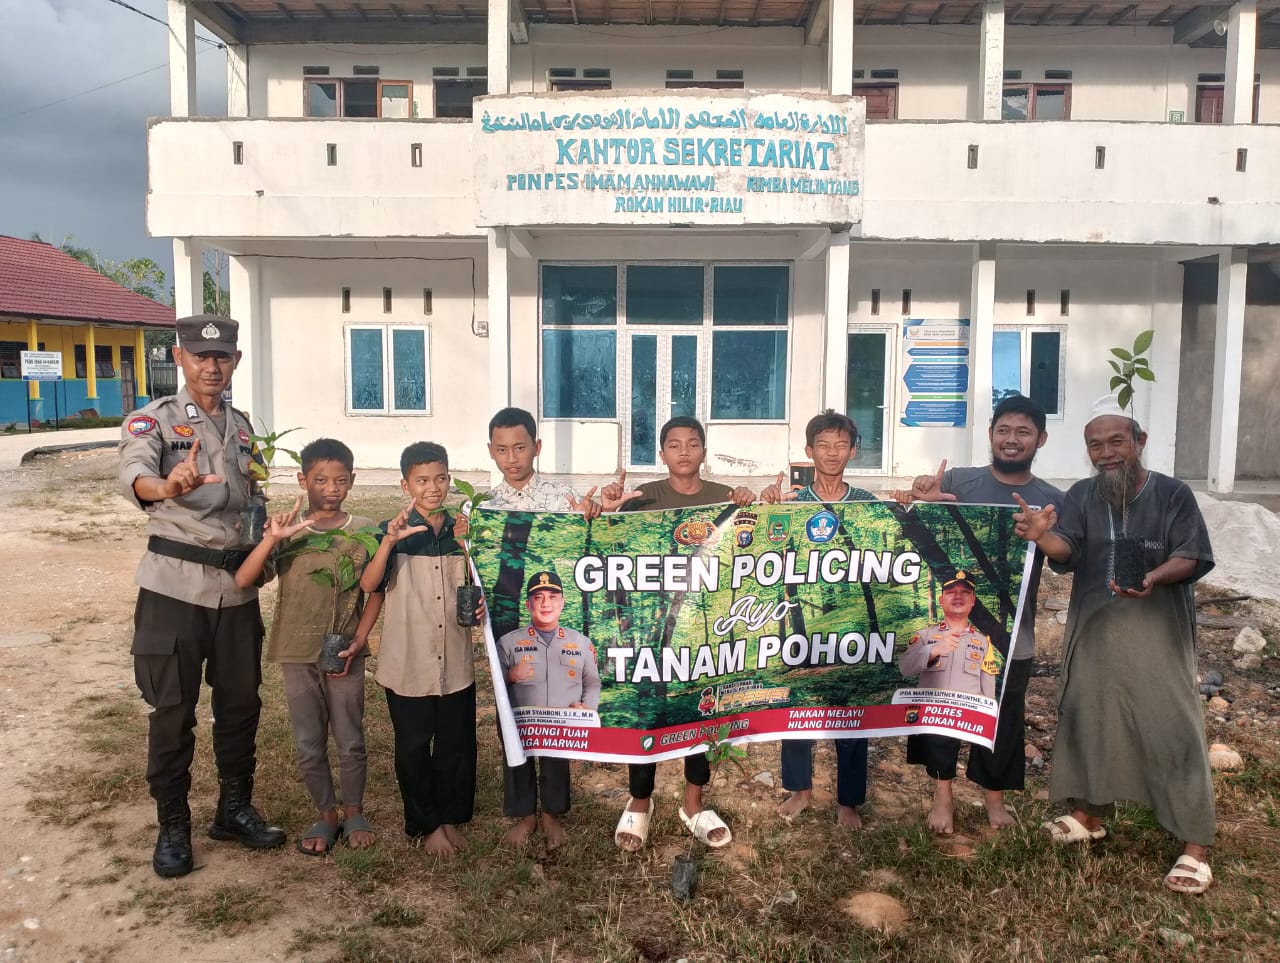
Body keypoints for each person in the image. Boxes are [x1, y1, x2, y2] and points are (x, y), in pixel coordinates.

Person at [1013, 394, 1216, 894]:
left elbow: (1191, 555)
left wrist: (1153, 575)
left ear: (1139, 442)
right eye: (1094, 444)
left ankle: (1195, 846)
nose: (1105, 452)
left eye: (1116, 441)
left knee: (1173, 727)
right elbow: (1070, 550)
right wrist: (1042, 536)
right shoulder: (1082, 494)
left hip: (1158, 635)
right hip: (1096, 631)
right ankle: (1088, 814)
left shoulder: (1173, 494)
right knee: (1091, 715)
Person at [119, 314, 285, 878]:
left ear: (235, 360)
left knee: (240, 706)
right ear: (179, 357)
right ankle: (173, 826)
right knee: (173, 712)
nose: (211, 366)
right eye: (199, 356)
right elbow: (137, 474)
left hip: (235, 593)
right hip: (175, 589)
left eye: (222, 357)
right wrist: (167, 486)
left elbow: (250, 495)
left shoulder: (241, 427)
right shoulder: (155, 421)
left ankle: (232, 810)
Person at [895, 394, 1064, 830]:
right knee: (943, 711)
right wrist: (922, 499)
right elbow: (917, 529)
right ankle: (942, 798)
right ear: (990, 434)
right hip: (953, 626)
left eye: (1023, 432)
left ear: (1040, 439)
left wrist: (1043, 536)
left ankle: (994, 800)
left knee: (1004, 717)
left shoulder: (1050, 498)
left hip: (1014, 634)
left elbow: (1067, 558)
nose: (1012, 440)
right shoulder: (961, 481)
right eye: (1003, 430)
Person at [602, 416, 754, 852]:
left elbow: (748, 545)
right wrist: (611, 508)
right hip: (651, 628)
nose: (684, 451)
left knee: (700, 710)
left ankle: (693, 803)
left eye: (692, 443)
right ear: (662, 452)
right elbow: (608, 544)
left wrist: (749, 503)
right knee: (647, 710)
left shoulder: (723, 497)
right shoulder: (642, 496)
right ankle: (639, 800)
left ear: (704, 451)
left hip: (703, 629)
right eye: (674, 444)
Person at [234, 438, 380, 855]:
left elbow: (376, 592)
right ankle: (326, 813)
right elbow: (245, 579)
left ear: (352, 482)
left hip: (345, 652)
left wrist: (360, 639)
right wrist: (273, 538)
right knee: (308, 741)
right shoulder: (290, 532)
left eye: (339, 480)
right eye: (320, 480)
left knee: (351, 738)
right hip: (296, 652)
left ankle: (353, 810)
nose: (330, 488)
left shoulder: (365, 531)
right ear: (303, 480)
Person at [358, 442, 483, 858]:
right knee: (412, 746)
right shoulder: (391, 529)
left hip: (454, 660)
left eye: (441, 479)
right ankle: (425, 824)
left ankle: (450, 817)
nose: (433, 488)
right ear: (405, 484)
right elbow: (369, 585)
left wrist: (470, 546)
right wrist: (389, 543)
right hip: (407, 659)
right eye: (422, 480)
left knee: (456, 745)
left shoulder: (462, 529)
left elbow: (480, 584)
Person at [759, 410, 876, 829]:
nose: (832, 452)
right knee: (797, 705)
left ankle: (849, 800)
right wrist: (762, 504)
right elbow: (761, 550)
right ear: (809, 452)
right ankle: (800, 788)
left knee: (852, 710)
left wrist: (910, 504)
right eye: (823, 445)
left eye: (841, 445)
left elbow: (889, 552)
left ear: (854, 451)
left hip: (852, 626)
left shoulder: (867, 504)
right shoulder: (793, 503)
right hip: (799, 622)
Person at [496, 571, 602, 849]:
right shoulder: (509, 643)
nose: (545, 603)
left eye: (552, 597)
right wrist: (511, 676)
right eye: (538, 598)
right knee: (519, 765)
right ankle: (526, 817)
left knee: (556, 767)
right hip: (522, 724)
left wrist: (586, 708)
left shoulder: (580, 643)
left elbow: (593, 684)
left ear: (562, 602)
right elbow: (496, 685)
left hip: (560, 724)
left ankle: (551, 815)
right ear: (529, 605)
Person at [899, 570, 1006, 834]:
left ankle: (991, 796)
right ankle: (943, 797)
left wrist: (987, 714)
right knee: (940, 740)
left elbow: (987, 684)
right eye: (951, 592)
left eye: (965, 592)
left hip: (970, 711)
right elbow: (905, 667)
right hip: (936, 712)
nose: (958, 596)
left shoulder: (982, 642)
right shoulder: (924, 636)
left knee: (991, 739)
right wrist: (934, 650)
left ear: (972, 601)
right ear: (942, 599)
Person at [485, 407, 603, 517]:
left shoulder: (565, 498)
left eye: (519, 448)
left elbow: (596, 537)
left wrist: (603, 513)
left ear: (537, 447)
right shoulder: (482, 505)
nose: (511, 459)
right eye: (502, 450)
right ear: (491, 451)